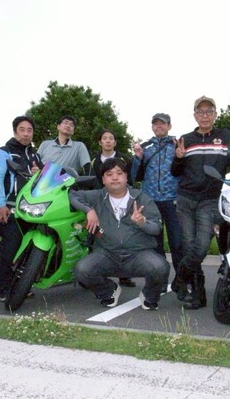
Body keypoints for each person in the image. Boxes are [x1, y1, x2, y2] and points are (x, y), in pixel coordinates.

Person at [171, 95, 230, 310]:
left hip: (209, 199)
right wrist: (178, 158)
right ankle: (198, 295)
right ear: (195, 115)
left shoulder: (226, 136)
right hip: (185, 199)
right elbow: (174, 171)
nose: (204, 115)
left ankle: (179, 279)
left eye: (209, 111)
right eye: (200, 112)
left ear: (215, 114)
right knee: (188, 246)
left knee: (202, 246)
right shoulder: (185, 139)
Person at [70, 158, 170, 310]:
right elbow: (71, 195)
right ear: (103, 179)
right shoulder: (96, 197)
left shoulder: (142, 198)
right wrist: (88, 210)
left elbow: (156, 228)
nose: (115, 178)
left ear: (126, 177)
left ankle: (149, 296)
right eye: (109, 174)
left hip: (138, 254)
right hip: (106, 254)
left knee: (160, 267)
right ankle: (109, 291)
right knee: (82, 270)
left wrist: (142, 222)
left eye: (119, 173)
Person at [0, 115, 43, 300]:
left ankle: (22, 286)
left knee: (29, 251)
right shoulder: (3, 153)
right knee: (9, 250)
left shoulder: (35, 156)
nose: (26, 134)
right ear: (15, 131)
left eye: (29, 130)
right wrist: (0, 205)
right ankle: (5, 290)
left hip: (33, 210)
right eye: (22, 130)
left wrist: (39, 173)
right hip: (11, 207)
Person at [131, 113, 183, 293]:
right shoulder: (145, 147)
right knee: (155, 245)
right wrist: (138, 158)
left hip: (173, 200)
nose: (159, 126)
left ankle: (181, 281)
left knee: (177, 244)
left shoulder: (177, 144)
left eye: (163, 124)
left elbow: (185, 170)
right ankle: (159, 281)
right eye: (156, 124)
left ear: (169, 126)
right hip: (151, 201)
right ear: (152, 126)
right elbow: (135, 176)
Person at [91, 129, 135, 288]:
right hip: (101, 202)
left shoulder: (125, 158)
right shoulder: (94, 160)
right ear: (100, 142)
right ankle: (100, 273)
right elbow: (91, 181)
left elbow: (131, 178)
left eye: (111, 138)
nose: (108, 141)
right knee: (100, 236)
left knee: (122, 236)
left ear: (115, 142)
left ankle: (124, 275)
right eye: (105, 138)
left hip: (121, 200)